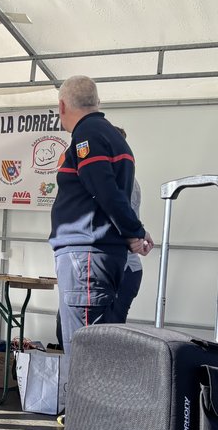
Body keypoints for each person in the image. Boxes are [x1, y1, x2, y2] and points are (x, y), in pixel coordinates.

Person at [49, 76, 153, 397]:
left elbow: (104, 189)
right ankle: (90, 418)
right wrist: (132, 231)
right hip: (95, 256)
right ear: (97, 102)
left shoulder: (88, 135)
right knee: (94, 349)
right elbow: (112, 194)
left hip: (86, 255)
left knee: (84, 351)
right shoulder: (111, 138)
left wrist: (134, 231)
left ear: (62, 106)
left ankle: (84, 420)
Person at [110, 127, 144, 323]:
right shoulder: (116, 179)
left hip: (123, 269)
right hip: (122, 268)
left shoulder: (123, 181)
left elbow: (121, 221)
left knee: (108, 331)